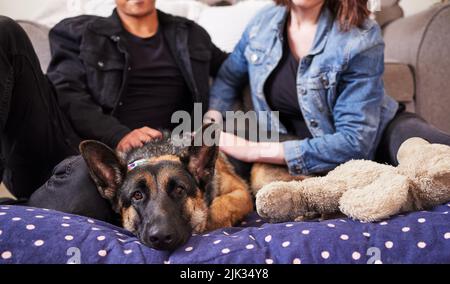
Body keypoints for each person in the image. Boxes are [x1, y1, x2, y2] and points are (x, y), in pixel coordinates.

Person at [0, 0, 226, 221]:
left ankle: (32, 208)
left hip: (139, 173)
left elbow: (235, 67)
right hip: (72, 148)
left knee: (83, 184)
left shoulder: (190, 34)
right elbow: (68, 93)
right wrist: (118, 135)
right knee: (5, 31)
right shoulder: (79, 32)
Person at [207, 0, 450, 178]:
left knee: (435, 157)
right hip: (300, 148)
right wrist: (212, 120)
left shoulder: (359, 36)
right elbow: (228, 78)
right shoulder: (262, 24)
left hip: (378, 135)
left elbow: (355, 142)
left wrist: (254, 150)